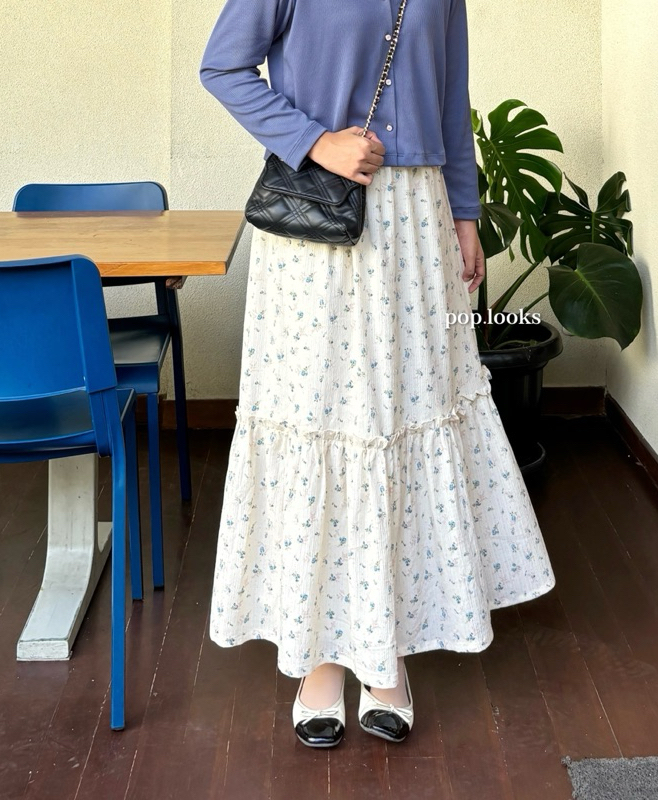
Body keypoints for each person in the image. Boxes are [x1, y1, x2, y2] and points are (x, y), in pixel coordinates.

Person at [199, 0, 556, 749]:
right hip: (318, 218)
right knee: (320, 423)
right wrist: (315, 141)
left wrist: (465, 216)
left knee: (402, 421)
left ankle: (384, 653)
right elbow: (222, 65)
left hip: (417, 223)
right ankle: (320, 659)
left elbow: (451, 99)